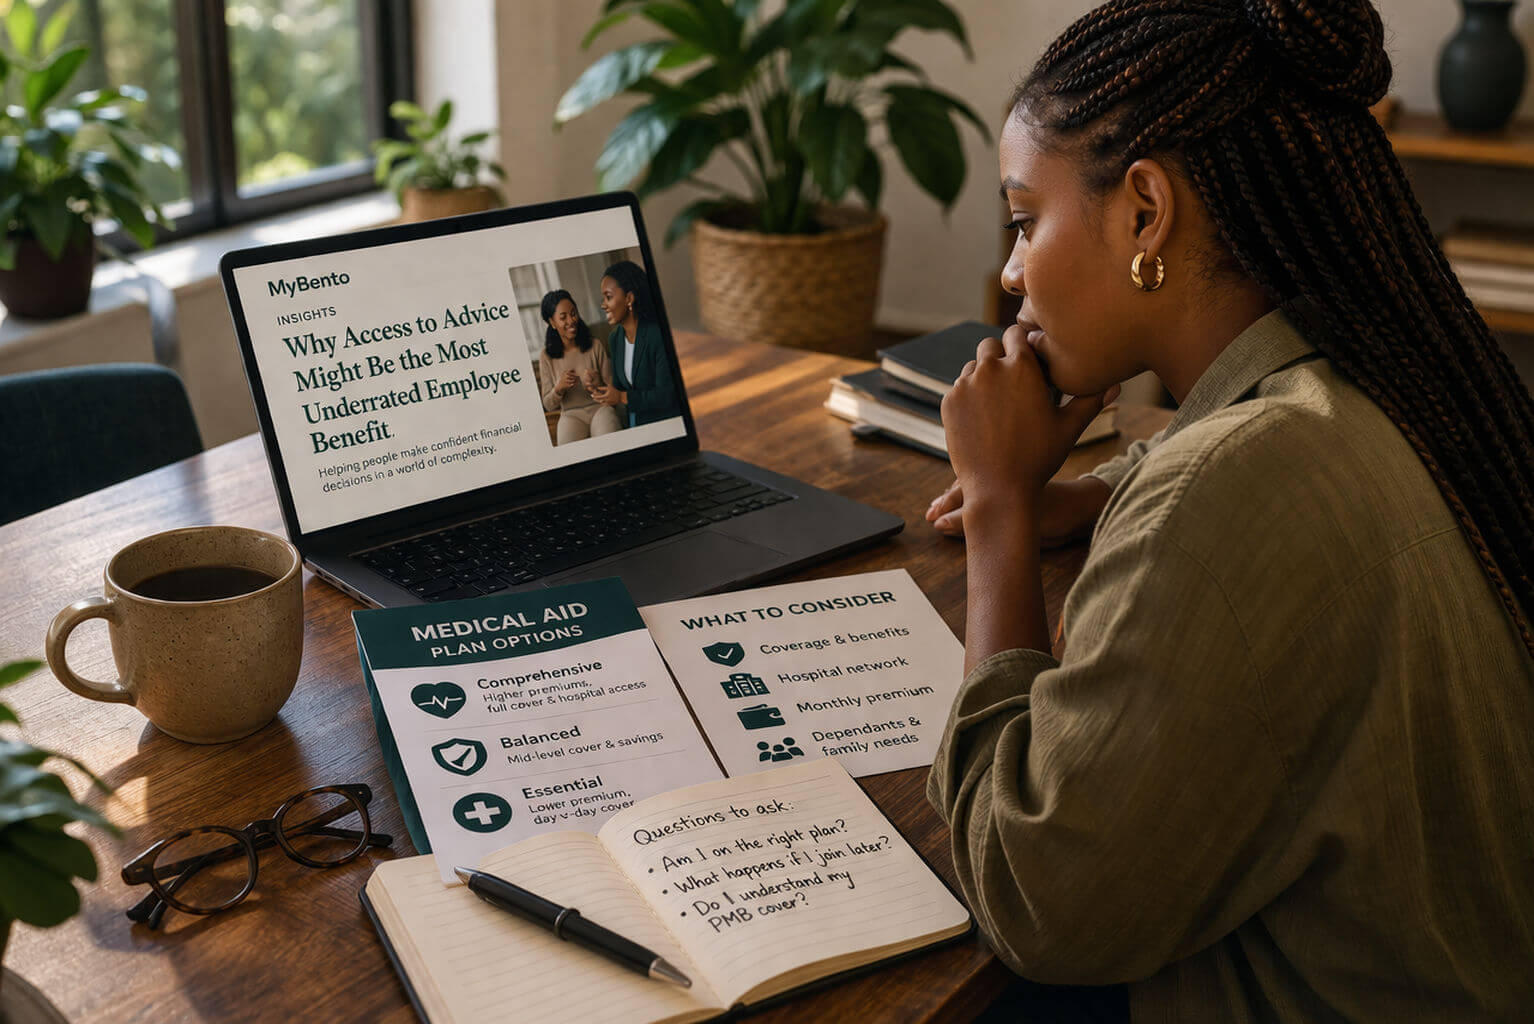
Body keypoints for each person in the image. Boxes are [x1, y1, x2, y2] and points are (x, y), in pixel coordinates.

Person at [923, 1, 1534, 1021]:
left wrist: (997, 509)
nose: (1010, 272)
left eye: (1027, 220)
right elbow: (1244, 461)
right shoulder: (1378, 371)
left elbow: (1031, 900)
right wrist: (1096, 490)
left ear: (1146, 212)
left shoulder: (1222, 489)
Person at [589, 260, 680, 427]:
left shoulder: (657, 334)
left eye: (608, 297)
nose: (603, 305)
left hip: (667, 424)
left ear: (629, 298)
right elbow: (619, 387)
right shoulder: (615, 338)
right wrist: (599, 384)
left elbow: (666, 395)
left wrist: (623, 397)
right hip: (637, 426)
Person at [536, 290, 621, 445]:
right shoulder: (546, 356)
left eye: (573, 313)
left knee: (609, 443)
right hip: (571, 415)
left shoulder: (595, 345)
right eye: (563, 317)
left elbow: (613, 392)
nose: (571, 320)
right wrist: (558, 388)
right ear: (552, 322)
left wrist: (598, 384)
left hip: (600, 408)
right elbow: (548, 405)